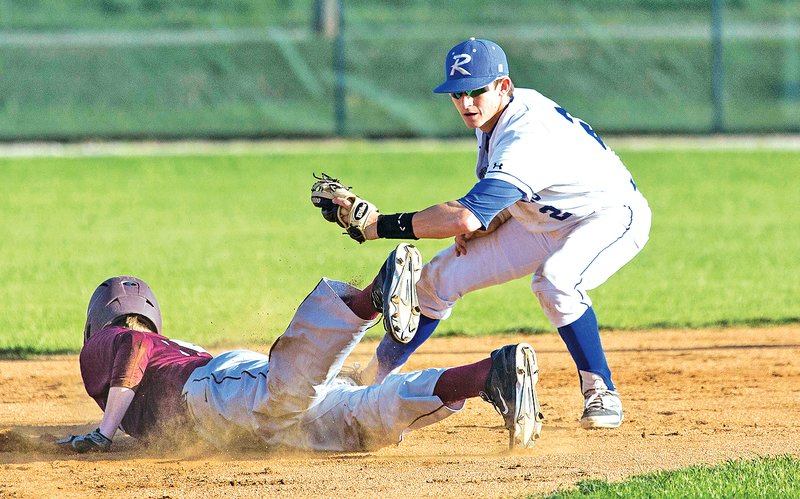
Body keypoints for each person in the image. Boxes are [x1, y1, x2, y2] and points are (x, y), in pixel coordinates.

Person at [331, 38, 651, 429]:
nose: (466, 103)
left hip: (606, 216)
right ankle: (370, 379)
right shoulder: (491, 118)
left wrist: (378, 225)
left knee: (554, 282)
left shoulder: (527, 133)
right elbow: (503, 197)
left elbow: (464, 216)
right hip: (538, 220)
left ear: (504, 86)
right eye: (458, 94)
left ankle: (601, 391)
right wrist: (492, 220)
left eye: (477, 91)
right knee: (434, 282)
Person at [57, 243, 544, 453]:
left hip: (207, 389)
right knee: (362, 425)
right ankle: (491, 375)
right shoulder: (153, 340)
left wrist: (104, 433)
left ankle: (372, 295)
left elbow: (135, 346)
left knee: (282, 391)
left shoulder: (111, 338)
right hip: (248, 425)